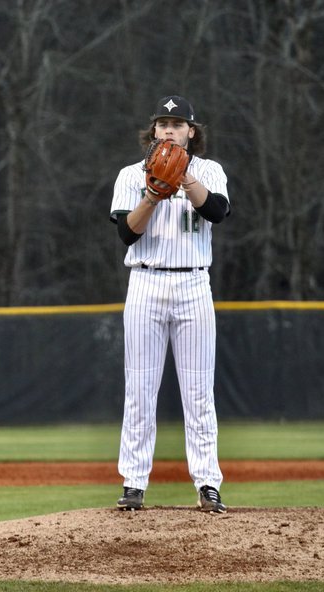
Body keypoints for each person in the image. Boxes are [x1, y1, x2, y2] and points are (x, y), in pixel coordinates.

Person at [109, 95, 232, 513]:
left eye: (177, 124)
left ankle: (207, 484)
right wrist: (153, 195)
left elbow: (217, 212)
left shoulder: (209, 171)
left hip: (194, 284)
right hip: (145, 281)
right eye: (162, 123)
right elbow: (127, 234)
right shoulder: (131, 175)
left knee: (199, 393)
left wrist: (183, 181)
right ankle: (134, 483)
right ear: (153, 129)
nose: (168, 130)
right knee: (140, 390)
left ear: (191, 132)